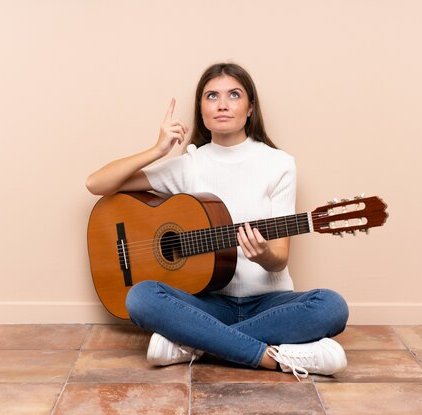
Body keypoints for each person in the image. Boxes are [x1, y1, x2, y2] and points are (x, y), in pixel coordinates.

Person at [86, 62, 349, 380]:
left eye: (234, 95)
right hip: (205, 303)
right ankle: (273, 358)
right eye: (212, 96)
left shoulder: (279, 164)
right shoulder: (189, 165)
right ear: (201, 108)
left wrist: (263, 254)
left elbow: (279, 260)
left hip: (269, 302)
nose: (223, 104)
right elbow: (97, 184)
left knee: (332, 307)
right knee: (140, 298)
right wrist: (157, 150)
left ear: (250, 107)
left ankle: (192, 344)